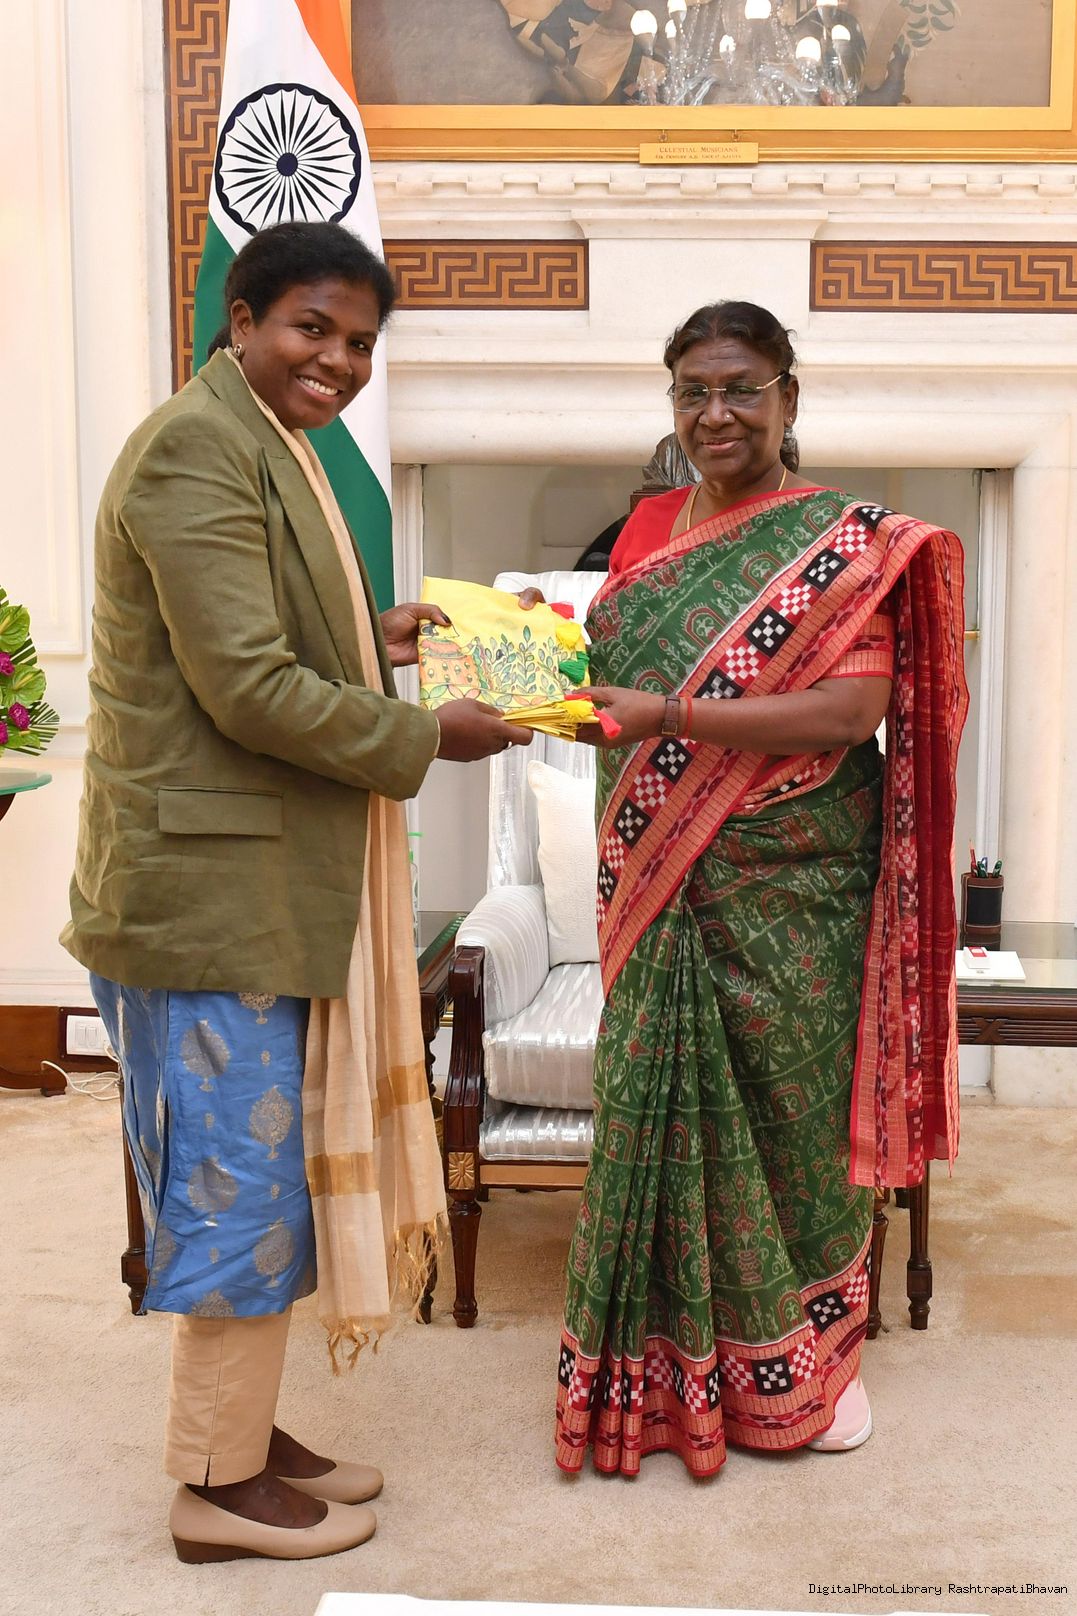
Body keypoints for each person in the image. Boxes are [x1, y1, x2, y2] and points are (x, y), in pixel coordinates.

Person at [62, 220, 531, 1562]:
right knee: (238, 1189)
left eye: (360, 342)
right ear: (243, 319)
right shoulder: (195, 448)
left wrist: (373, 643)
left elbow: (254, 638)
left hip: (258, 886)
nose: (337, 360)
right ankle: (213, 1491)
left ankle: (245, 1436)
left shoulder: (267, 438)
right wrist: (422, 736)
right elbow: (248, 688)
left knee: (263, 1174)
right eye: (311, 328)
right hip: (206, 898)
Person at [555, 300, 968, 1477]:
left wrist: (673, 712)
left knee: (795, 1125)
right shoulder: (648, 527)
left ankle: (813, 1365)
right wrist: (534, 649)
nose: (716, 413)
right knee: (653, 1112)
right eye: (693, 391)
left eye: (741, 387)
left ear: (789, 395)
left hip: (799, 884)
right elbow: (608, 679)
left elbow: (849, 712)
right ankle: (669, 1373)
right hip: (664, 879)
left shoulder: (843, 540)